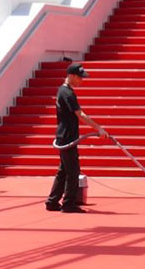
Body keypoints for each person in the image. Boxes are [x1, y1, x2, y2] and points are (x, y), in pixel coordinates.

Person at [45, 63, 105, 213]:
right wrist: (98, 128)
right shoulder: (67, 93)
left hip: (65, 136)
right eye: (79, 77)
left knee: (64, 170)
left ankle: (52, 201)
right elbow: (80, 114)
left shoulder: (65, 91)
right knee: (73, 170)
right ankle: (68, 203)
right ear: (71, 76)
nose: (81, 81)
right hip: (67, 138)